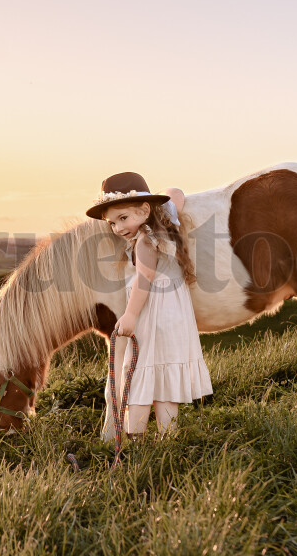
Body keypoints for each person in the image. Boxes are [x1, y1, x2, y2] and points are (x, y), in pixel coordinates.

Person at [86, 172, 212, 438]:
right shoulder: (164, 225)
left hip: (151, 313)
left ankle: (136, 436)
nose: (118, 228)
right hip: (173, 315)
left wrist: (130, 315)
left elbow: (144, 280)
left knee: (140, 371)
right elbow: (176, 192)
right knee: (164, 376)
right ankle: (169, 437)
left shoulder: (144, 241)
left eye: (123, 218)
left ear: (144, 210)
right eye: (112, 223)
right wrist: (163, 201)